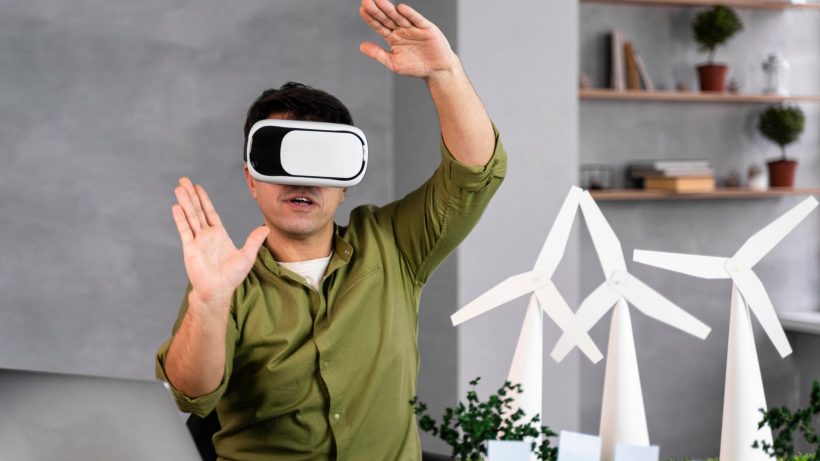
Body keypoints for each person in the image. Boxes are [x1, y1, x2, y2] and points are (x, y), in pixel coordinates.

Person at [155, 0, 507, 459]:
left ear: (345, 187)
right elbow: (192, 394)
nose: (302, 181)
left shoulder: (394, 244)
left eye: (322, 163)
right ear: (252, 179)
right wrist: (208, 302)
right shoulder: (226, 279)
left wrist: (444, 73)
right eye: (283, 160)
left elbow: (475, 174)